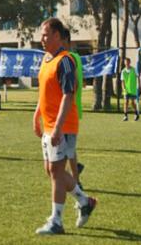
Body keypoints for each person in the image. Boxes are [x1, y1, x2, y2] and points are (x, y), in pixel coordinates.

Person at [33, 18, 97, 235]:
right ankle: (85, 201)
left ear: (57, 36)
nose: (42, 38)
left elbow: (68, 95)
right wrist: (37, 116)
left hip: (63, 126)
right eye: (42, 34)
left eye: (46, 34)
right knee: (51, 170)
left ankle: (56, 221)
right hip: (49, 124)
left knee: (57, 172)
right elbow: (45, 92)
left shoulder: (65, 61)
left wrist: (58, 127)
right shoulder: (46, 59)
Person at [63, 29, 86, 189]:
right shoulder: (74, 57)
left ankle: (76, 180)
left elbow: (74, 84)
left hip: (70, 109)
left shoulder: (69, 58)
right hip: (71, 109)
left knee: (67, 149)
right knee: (68, 148)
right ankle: (75, 172)